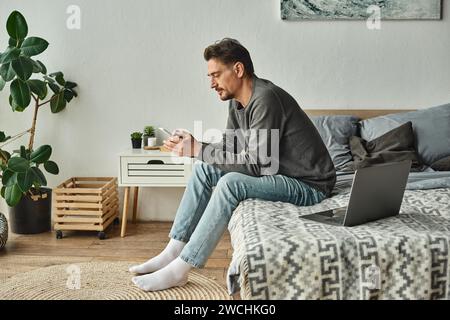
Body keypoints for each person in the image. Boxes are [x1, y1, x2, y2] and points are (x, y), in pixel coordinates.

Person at [129, 38, 336, 291]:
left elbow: (256, 165)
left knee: (230, 183)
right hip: (279, 172)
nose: (211, 83)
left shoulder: (265, 99)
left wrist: (198, 149)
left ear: (238, 70)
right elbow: (230, 150)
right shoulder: (236, 102)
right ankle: (174, 249)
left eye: (216, 75)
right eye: (209, 76)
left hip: (309, 184)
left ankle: (182, 267)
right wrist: (195, 146)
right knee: (204, 168)